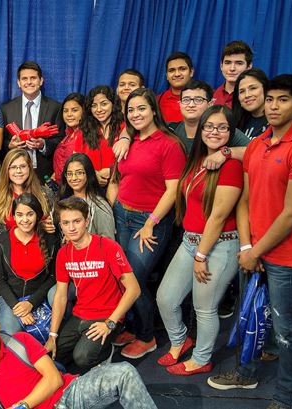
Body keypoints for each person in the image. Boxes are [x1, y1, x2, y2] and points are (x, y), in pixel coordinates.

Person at [207, 75, 292, 409]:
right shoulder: (258, 144)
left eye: (282, 100)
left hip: (285, 257)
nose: (273, 106)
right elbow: (244, 199)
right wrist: (247, 248)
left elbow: (291, 214)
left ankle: (286, 395)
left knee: (286, 329)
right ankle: (245, 373)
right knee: (249, 319)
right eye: (270, 99)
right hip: (252, 252)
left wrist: (256, 251)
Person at [156, 106, 243, 376]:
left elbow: (217, 217)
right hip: (190, 241)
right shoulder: (198, 159)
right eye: (209, 126)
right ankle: (181, 340)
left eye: (221, 127)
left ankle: (202, 358)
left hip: (218, 246)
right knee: (166, 298)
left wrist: (201, 256)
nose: (214, 132)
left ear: (231, 132)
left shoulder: (231, 166)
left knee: (204, 307)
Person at [105, 87, 186, 359]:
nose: (136, 114)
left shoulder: (169, 144)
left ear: (154, 110)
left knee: (134, 278)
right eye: (131, 110)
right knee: (123, 275)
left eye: (142, 108)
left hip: (149, 220)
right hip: (123, 215)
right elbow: (119, 179)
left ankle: (147, 337)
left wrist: (151, 222)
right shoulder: (129, 140)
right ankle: (135, 325)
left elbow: (173, 190)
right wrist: (112, 213)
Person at [0, 304, 157, 409]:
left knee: (124, 372)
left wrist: (23, 406)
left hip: (69, 393)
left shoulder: (20, 341)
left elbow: (54, 379)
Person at [45, 197, 141, 371]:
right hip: (80, 314)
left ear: (87, 221)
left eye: (77, 221)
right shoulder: (63, 253)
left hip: (107, 316)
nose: (71, 228)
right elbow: (60, 295)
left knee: (82, 358)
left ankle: (106, 351)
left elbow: (134, 290)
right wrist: (52, 335)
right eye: (66, 223)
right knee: (54, 355)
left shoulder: (108, 246)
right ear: (61, 225)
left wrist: (110, 323)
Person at [0, 193, 58, 335]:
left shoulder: (50, 239)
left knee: (45, 333)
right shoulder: (2, 241)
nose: (25, 220)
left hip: (38, 296)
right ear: (14, 217)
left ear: (37, 216)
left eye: (30, 214)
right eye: (19, 215)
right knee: (8, 334)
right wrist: (18, 308)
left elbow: (54, 276)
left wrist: (31, 303)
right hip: (12, 299)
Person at [2, 61, 64, 181]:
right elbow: (1, 142)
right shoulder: (6, 108)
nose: (29, 82)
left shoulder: (55, 107)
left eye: (33, 78)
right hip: (15, 174)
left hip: (44, 174)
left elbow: (61, 140)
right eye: (24, 79)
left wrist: (43, 145)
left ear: (41, 81)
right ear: (18, 83)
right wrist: (10, 145)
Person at [171, 80, 250, 168]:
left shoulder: (222, 131)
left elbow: (255, 152)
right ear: (179, 104)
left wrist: (225, 153)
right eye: (186, 100)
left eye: (198, 100)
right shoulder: (170, 130)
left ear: (211, 104)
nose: (191, 104)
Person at [0, 149, 56, 238]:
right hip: (9, 250)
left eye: (22, 166)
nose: (18, 171)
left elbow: (56, 224)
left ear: (29, 167)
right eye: (13, 167)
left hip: (39, 247)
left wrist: (45, 227)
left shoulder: (46, 194)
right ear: (6, 170)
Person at [58, 153, 115, 240]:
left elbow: (108, 241)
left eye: (79, 173)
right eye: (69, 174)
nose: (74, 178)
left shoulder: (100, 206)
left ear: (88, 174)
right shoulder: (62, 201)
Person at [84, 86, 122, 186]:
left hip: (120, 186)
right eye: (94, 105)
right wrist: (93, 174)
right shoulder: (84, 130)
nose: (99, 109)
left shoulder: (125, 128)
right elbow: (76, 161)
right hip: (91, 187)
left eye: (104, 104)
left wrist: (113, 171)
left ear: (113, 104)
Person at [53, 93, 85, 182]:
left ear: (84, 111)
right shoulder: (67, 135)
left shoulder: (88, 135)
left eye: (74, 110)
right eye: (65, 111)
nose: (69, 114)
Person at [213, 40, 253, 107]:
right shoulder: (212, 95)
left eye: (239, 63)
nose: (232, 68)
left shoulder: (252, 98)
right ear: (221, 66)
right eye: (228, 63)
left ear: (249, 67)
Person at [232, 68, 270, 140]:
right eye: (242, 91)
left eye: (253, 88)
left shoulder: (276, 122)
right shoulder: (235, 123)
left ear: (266, 89)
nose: (247, 95)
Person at [158, 52, 195, 122]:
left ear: (191, 72)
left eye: (182, 69)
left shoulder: (203, 99)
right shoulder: (158, 100)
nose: (177, 74)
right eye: (171, 70)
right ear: (167, 76)